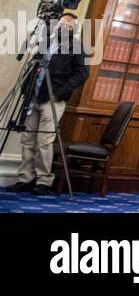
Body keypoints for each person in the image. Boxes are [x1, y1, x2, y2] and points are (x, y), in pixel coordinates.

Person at [8, 12, 89, 195]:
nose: (62, 26)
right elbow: (33, 65)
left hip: (53, 100)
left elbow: (82, 74)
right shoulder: (45, 43)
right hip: (33, 97)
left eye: (67, 25)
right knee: (27, 139)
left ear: (74, 29)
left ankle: (43, 181)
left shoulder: (76, 47)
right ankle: (25, 179)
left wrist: (60, 94)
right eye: (60, 23)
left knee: (44, 141)